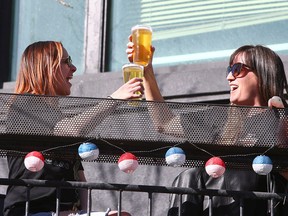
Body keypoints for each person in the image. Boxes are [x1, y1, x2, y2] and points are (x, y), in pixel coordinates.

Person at [126, 38, 288, 215]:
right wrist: (147, 71)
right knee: (189, 176)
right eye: (229, 69)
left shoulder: (281, 117)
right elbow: (164, 123)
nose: (229, 76)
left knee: (243, 173)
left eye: (237, 69)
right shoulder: (219, 119)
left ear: (263, 74)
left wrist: (281, 126)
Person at [3, 41, 139, 216]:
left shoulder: (58, 118)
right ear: (46, 67)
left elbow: (79, 177)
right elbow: (71, 130)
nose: (74, 68)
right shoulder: (25, 105)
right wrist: (114, 100)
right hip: (29, 211)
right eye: (66, 61)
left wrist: (84, 212)